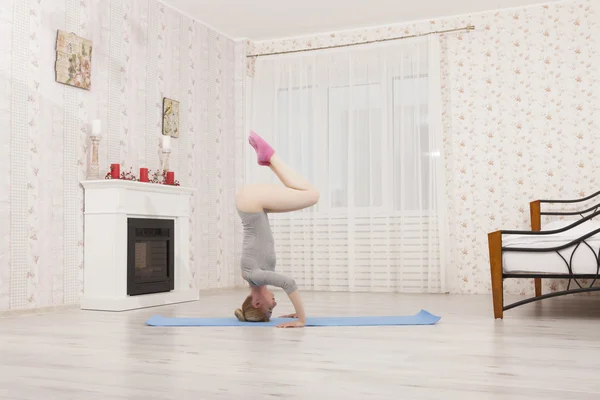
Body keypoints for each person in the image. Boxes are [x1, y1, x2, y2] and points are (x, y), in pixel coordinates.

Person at [233, 131, 320, 328]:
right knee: (304, 194)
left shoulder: (255, 277)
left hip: (252, 203)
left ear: (257, 303)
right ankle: (268, 159)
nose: (274, 304)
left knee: (312, 195)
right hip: (254, 206)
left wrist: (301, 320)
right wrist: (295, 313)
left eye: (269, 308)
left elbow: (289, 283)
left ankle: (270, 156)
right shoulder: (252, 277)